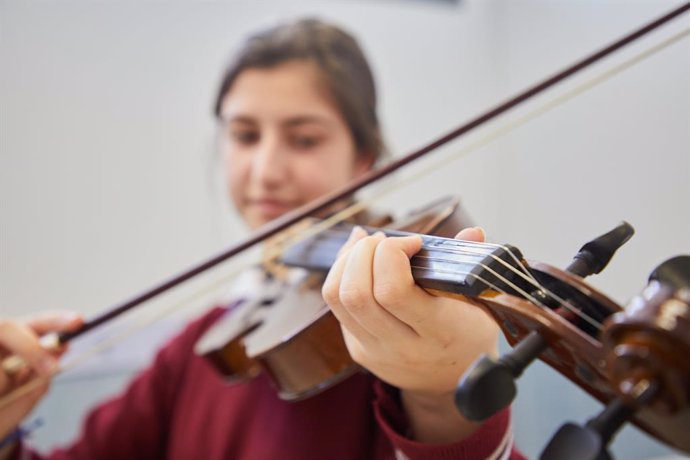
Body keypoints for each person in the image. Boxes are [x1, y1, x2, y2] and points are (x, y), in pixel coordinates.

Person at [0, 18, 523, 460]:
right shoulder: (202, 346)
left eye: (304, 139)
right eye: (245, 135)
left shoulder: (403, 318)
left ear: (363, 158)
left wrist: (440, 397)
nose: (265, 172)